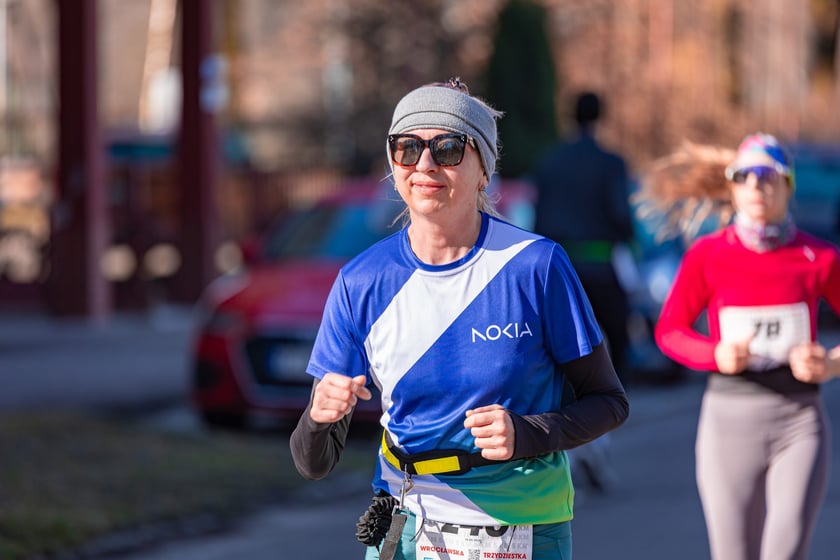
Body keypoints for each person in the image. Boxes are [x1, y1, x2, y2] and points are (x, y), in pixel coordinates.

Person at [290, 78, 629, 560]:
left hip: (522, 521)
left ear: (483, 170)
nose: (425, 165)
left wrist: (526, 432)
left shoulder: (535, 265)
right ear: (392, 164)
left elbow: (609, 402)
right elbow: (313, 462)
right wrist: (319, 417)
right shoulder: (360, 282)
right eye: (407, 148)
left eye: (448, 148)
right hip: (407, 523)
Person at [639, 133, 840, 560]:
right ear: (731, 186)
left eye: (768, 176)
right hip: (728, 424)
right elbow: (669, 330)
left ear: (788, 186)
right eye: (743, 176)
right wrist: (715, 354)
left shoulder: (817, 256)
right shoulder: (708, 255)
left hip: (799, 421)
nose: (756, 186)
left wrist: (830, 364)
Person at [530, 91, 634, 494]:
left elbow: (537, 221)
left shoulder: (549, 163)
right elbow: (621, 219)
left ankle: (576, 446)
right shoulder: (611, 164)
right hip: (601, 270)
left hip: (557, 273)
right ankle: (596, 440)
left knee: (560, 363)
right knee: (610, 364)